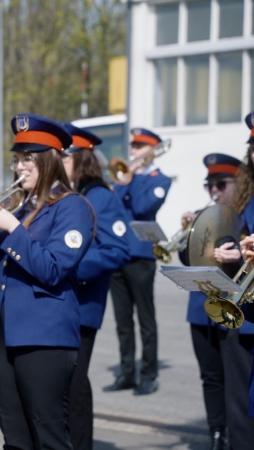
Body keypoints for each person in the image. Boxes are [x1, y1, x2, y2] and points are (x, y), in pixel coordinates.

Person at [0, 113, 94, 449]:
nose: (20, 166)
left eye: (29, 159)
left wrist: (11, 228)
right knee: (15, 439)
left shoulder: (72, 207)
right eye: (17, 159)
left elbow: (53, 269)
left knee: (49, 436)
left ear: (50, 161)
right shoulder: (18, 208)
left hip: (44, 339)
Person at [59, 122, 130, 449]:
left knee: (73, 386)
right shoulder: (63, 193)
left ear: (82, 158)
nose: (59, 159)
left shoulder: (100, 196)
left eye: (65, 154)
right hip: (57, 302)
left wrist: (69, 268)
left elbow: (117, 250)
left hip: (83, 304)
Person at [181, 153, 254, 449]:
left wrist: (238, 255)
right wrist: (190, 235)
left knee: (236, 386)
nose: (215, 191)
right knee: (211, 377)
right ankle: (216, 434)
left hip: (238, 309)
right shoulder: (207, 215)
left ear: (237, 183)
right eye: (209, 185)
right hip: (202, 309)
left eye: (221, 184)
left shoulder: (242, 215)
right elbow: (188, 260)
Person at [104, 127, 171, 396]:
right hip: (118, 253)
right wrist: (123, 180)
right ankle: (127, 372)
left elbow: (143, 208)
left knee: (145, 318)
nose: (133, 151)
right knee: (122, 320)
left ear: (152, 150)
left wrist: (129, 178)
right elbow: (113, 206)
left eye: (140, 147)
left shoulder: (159, 180)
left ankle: (149, 374)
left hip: (141, 256)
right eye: (133, 146)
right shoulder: (122, 179)